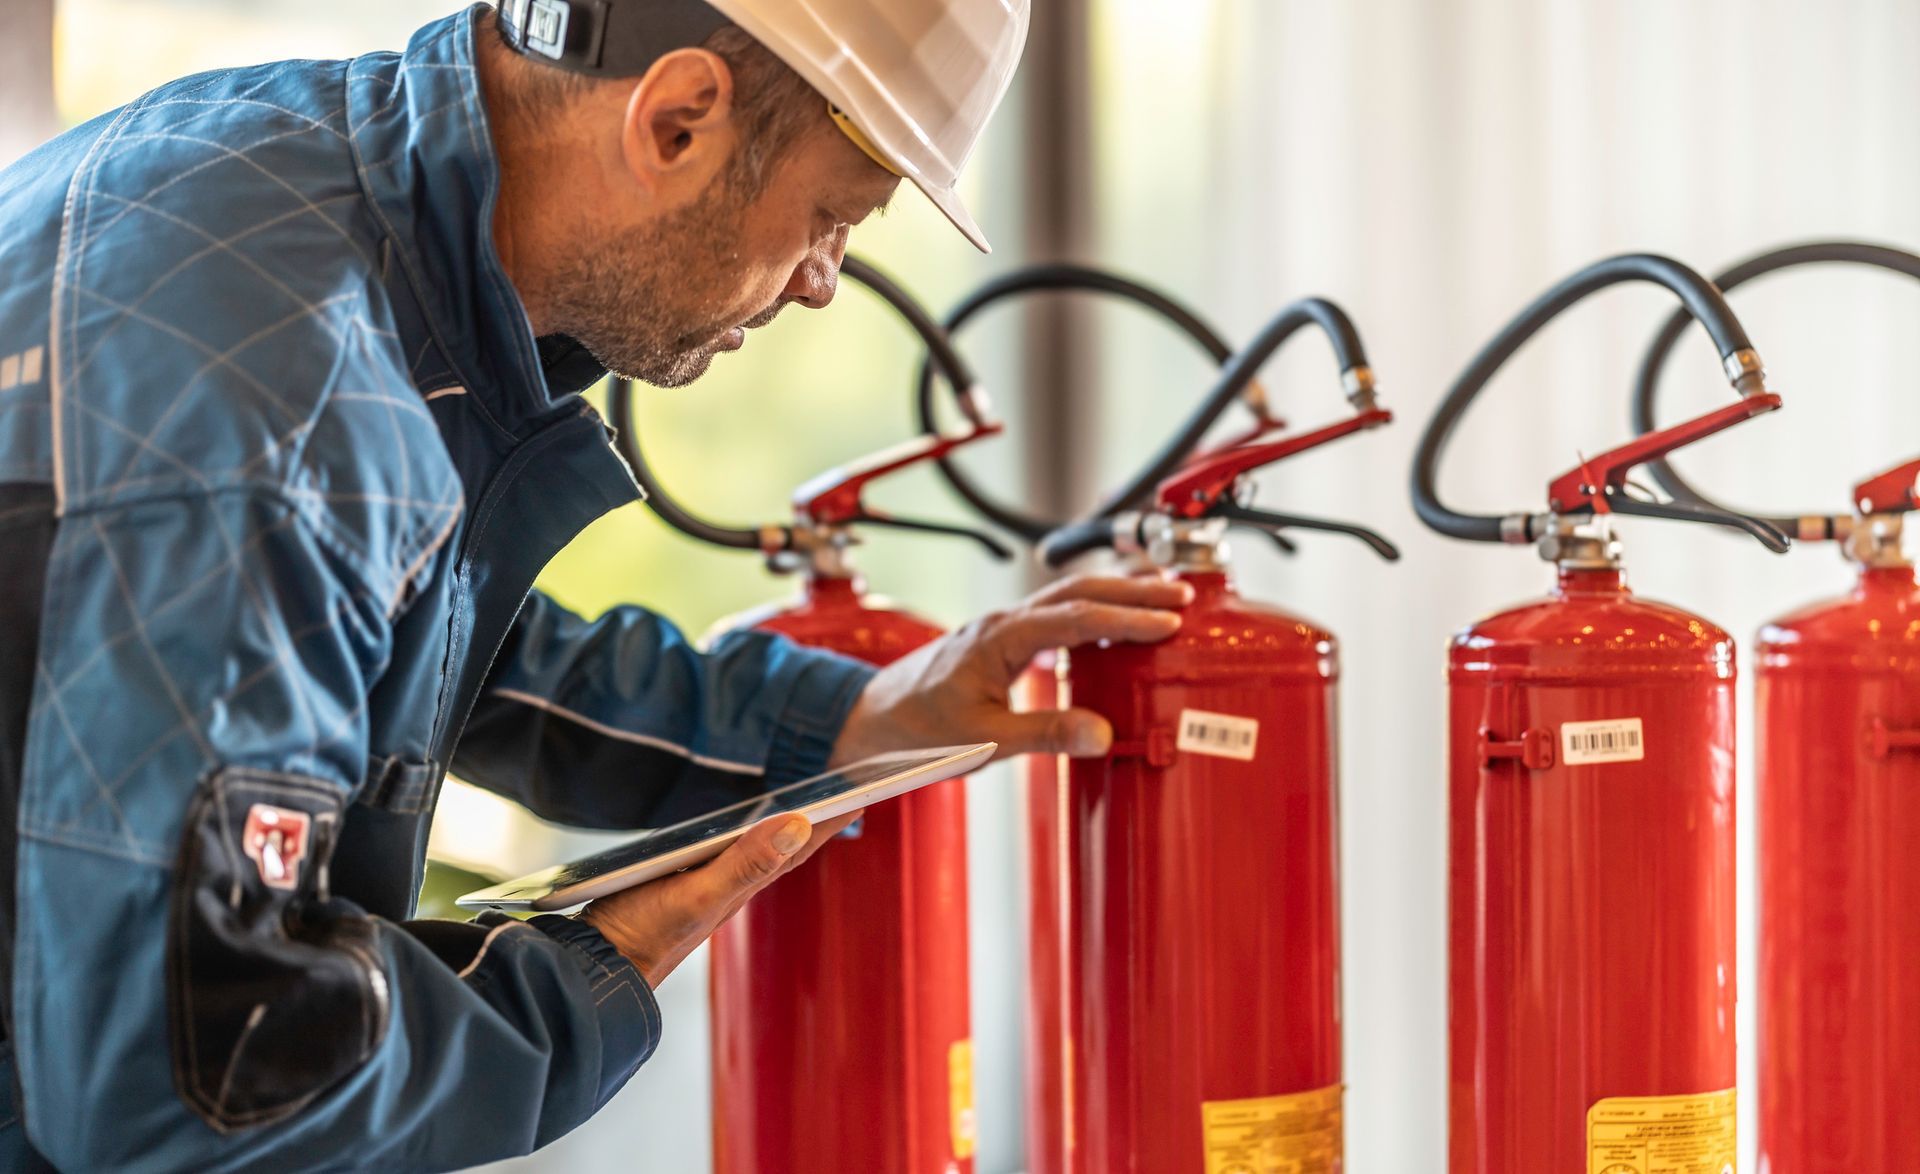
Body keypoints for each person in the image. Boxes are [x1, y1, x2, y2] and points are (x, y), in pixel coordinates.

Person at [0, 0, 1193, 1168]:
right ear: (678, 118)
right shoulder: (284, 410)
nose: (824, 279)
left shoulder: (295, 185)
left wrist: (854, 718)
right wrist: (586, 973)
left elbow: (397, 636)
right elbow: (188, 1088)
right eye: (834, 215)